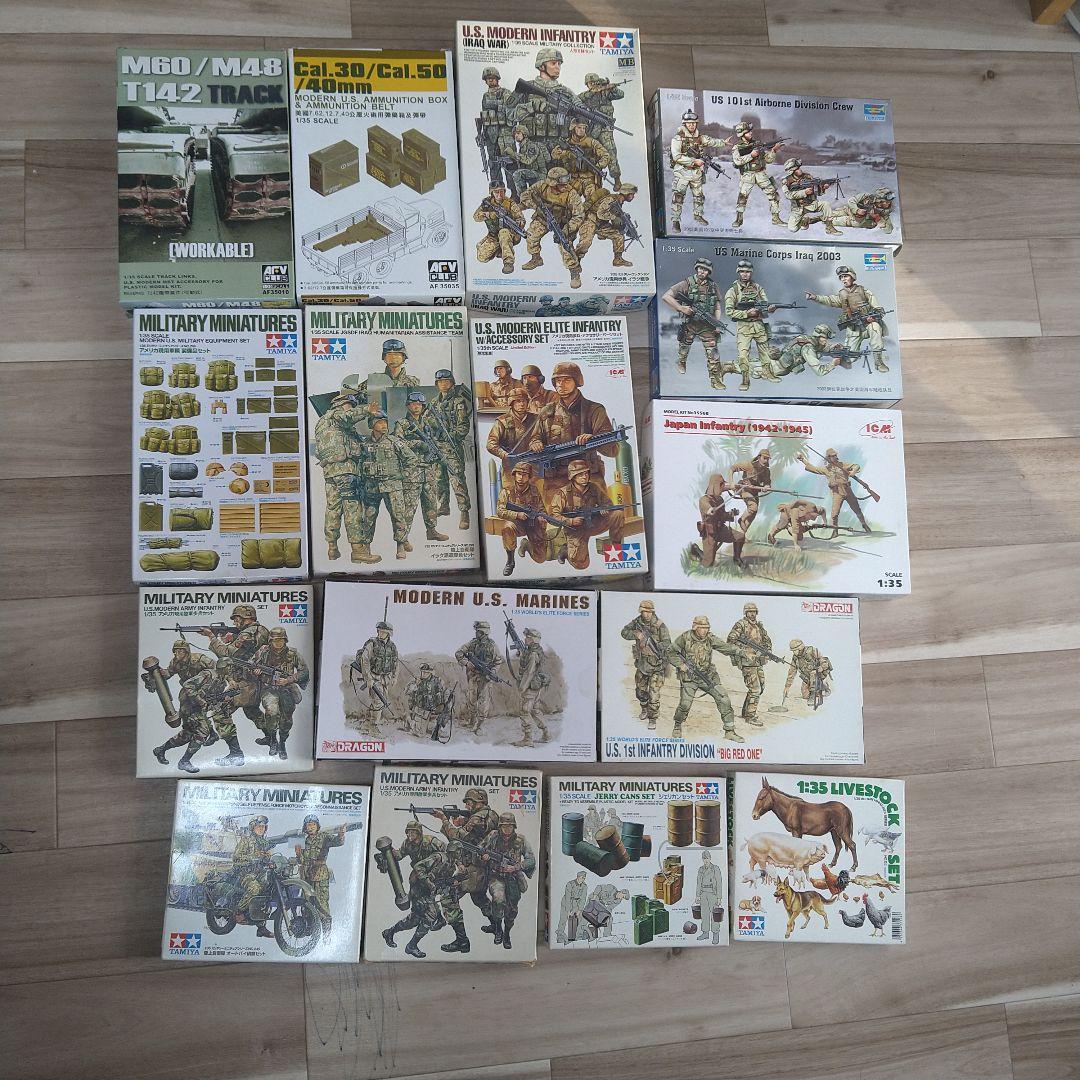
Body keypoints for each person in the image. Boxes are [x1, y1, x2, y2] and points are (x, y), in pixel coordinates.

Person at [355, 411, 418, 561]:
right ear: (372, 425)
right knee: (368, 517)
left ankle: (400, 545)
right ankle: (366, 546)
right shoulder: (365, 443)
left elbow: (412, 459)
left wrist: (403, 475)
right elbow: (359, 463)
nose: (384, 425)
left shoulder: (394, 442)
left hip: (392, 486)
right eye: (379, 422)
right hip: (371, 487)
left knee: (398, 516)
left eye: (385, 422)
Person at [660, 258, 734, 385]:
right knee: (684, 345)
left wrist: (717, 323)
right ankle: (681, 362)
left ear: (709, 272)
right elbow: (666, 296)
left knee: (713, 353)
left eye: (705, 270)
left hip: (707, 325)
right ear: (696, 269)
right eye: (700, 268)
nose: (702, 271)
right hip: (689, 324)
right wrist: (681, 308)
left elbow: (717, 307)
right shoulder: (687, 283)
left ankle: (715, 379)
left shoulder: (713, 286)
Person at [806, 264, 891, 373]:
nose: (843, 279)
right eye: (841, 277)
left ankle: (878, 363)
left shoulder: (863, 291)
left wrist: (875, 316)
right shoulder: (842, 294)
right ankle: (822, 352)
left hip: (868, 325)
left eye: (845, 276)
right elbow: (830, 300)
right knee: (850, 358)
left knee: (875, 328)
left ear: (852, 276)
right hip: (854, 329)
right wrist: (815, 297)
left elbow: (877, 307)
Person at [668, 616, 742, 742]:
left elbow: (725, 647)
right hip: (689, 677)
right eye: (702, 628)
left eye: (707, 628)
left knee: (723, 699)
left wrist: (740, 652)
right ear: (695, 627)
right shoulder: (685, 637)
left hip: (707, 676)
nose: (705, 630)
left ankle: (729, 731)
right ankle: (677, 725)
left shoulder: (710, 638)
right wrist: (680, 665)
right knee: (685, 704)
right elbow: (670, 652)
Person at [547, 458, 627, 571]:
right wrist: (570, 521)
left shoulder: (594, 487)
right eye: (580, 474)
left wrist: (605, 508)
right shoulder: (562, 493)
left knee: (617, 514)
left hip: (593, 524)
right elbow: (551, 516)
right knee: (581, 565)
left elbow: (608, 503)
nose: (585, 477)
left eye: (586, 473)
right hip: (575, 530)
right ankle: (566, 550)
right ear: (572, 476)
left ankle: (616, 549)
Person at [394, 392, 450, 545]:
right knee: (409, 507)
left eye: (419, 404)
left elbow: (434, 441)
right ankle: (403, 539)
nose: (416, 407)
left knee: (431, 503)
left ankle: (432, 531)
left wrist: (438, 453)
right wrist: (418, 444)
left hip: (429, 470)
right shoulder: (402, 424)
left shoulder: (427, 424)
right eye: (413, 404)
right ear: (408, 406)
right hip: (412, 472)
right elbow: (398, 443)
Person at [249, 628, 308, 760]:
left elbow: (304, 672)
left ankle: (282, 743)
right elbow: (250, 665)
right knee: (271, 713)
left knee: (287, 719)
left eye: (281, 640)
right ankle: (273, 740)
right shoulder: (263, 651)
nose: (278, 643)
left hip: (287, 689)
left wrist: (289, 680)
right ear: (270, 640)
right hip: (269, 689)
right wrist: (255, 672)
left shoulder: (293, 653)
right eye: (275, 640)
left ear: (285, 640)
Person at [481, 812, 536, 949]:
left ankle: (507, 934)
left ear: (514, 827)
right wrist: (484, 856)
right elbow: (480, 849)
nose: (507, 829)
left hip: (513, 878)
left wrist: (516, 867)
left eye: (510, 826)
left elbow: (531, 860)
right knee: (498, 900)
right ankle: (498, 929)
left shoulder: (521, 840)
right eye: (504, 826)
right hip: (496, 876)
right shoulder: (493, 836)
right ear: (500, 826)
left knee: (512, 909)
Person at [669, 108, 727, 230]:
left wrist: (723, 143)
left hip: (696, 173)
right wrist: (694, 161)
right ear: (684, 124)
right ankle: (675, 220)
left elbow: (712, 141)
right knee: (678, 197)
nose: (691, 125)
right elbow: (676, 156)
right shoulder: (677, 139)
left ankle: (698, 215)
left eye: (694, 123)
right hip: (682, 172)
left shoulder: (700, 138)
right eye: (689, 123)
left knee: (699, 197)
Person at [796, 448, 872, 536]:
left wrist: (853, 472)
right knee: (834, 514)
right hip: (837, 493)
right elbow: (813, 468)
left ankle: (864, 524)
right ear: (828, 458)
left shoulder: (842, 465)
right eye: (832, 456)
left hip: (848, 491)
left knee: (857, 510)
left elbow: (856, 466)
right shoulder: (826, 469)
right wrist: (803, 460)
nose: (835, 457)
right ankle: (835, 530)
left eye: (835, 455)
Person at [620, 599, 671, 730]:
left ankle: (652, 718)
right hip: (642, 665)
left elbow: (667, 643)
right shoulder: (637, 622)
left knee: (654, 695)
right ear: (641, 612)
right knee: (640, 692)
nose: (647, 614)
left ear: (652, 612)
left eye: (649, 612)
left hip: (657, 666)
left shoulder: (660, 625)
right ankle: (644, 709)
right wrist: (636, 634)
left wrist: (655, 646)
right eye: (644, 612)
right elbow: (624, 632)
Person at [295, 815, 346, 931]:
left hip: (320, 875)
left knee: (321, 905)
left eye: (313, 824)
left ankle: (326, 935)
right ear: (305, 827)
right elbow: (301, 861)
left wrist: (341, 834)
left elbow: (337, 842)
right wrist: (298, 854)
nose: (311, 827)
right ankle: (309, 930)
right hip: (306, 876)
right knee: (306, 904)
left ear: (317, 826)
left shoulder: (324, 837)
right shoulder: (303, 840)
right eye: (308, 825)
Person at [727, 602, 773, 729]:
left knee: (761, 688)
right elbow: (731, 640)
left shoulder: (759, 626)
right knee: (755, 689)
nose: (752, 614)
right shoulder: (741, 624)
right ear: (745, 613)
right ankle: (750, 716)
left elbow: (767, 640)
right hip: (747, 662)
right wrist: (747, 650)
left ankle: (745, 712)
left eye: (754, 612)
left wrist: (767, 651)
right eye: (749, 612)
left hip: (758, 662)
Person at [730, 121, 783, 228]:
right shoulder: (737, 147)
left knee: (773, 195)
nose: (751, 133)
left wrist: (773, 151)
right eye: (748, 132)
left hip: (761, 173)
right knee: (742, 197)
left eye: (750, 131)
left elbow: (768, 160)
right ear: (742, 134)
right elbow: (737, 161)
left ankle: (776, 218)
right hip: (747, 175)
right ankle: (739, 219)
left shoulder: (757, 144)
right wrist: (751, 155)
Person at [455, 622, 504, 736]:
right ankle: (472, 722)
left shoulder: (492, 646)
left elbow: (498, 661)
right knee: (471, 700)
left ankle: (479, 726)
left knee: (483, 703)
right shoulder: (472, 643)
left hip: (485, 678)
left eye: (478, 631)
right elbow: (458, 653)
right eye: (476, 631)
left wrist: (493, 672)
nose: (476, 633)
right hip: (473, 676)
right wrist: (467, 663)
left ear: (483, 632)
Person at [230, 815, 274, 938]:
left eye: (263, 827)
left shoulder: (264, 843)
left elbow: (266, 858)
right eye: (258, 826)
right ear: (252, 827)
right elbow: (236, 858)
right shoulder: (246, 840)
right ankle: (238, 911)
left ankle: (261, 927)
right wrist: (253, 857)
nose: (261, 829)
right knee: (255, 888)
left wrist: (268, 858)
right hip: (245, 874)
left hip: (260, 873)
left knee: (269, 891)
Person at [690, 473, 747, 569]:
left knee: (740, 537)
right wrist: (710, 510)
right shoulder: (703, 500)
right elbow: (707, 507)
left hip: (721, 529)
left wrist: (731, 514)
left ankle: (736, 558)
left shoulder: (720, 499)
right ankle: (696, 549)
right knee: (708, 564)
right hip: (710, 534)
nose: (722, 488)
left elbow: (722, 516)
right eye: (721, 485)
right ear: (714, 486)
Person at [354, 620, 398, 734]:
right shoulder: (372, 644)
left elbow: (395, 662)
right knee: (378, 702)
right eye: (379, 631)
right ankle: (373, 727)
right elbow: (365, 661)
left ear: (389, 633)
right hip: (374, 677)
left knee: (380, 701)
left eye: (383, 632)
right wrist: (368, 678)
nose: (380, 633)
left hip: (386, 678)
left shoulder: (392, 647)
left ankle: (366, 724)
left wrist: (394, 677)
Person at [474, 182, 525, 276]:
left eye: (502, 191)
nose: (499, 194)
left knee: (503, 232)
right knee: (482, 257)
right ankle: (499, 249)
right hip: (494, 236)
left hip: (511, 234)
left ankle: (508, 262)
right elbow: (476, 217)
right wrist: (489, 215)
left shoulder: (510, 203)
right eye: (496, 192)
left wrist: (519, 223)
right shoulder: (487, 203)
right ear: (492, 193)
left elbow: (521, 218)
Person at [514, 627, 551, 747]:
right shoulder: (533, 651)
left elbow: (529, 672)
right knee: (535, 711)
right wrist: (521, 654)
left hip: (530, 686)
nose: (525, 639)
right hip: (536, 686)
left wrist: (522, 687)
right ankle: (546, 734)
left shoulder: (533, 653)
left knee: (525, 711)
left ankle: (528, 739)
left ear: (533, 639)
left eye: (528, 638)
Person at [695, 850, 725, 944]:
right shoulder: (701, 869)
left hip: (713, 894)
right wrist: (697, 895)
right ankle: (705, 933)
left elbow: (719, 883)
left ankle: (715, 934)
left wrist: (719, 897)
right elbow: (698, 883)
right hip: (703, 893)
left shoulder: (715, 868)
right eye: (704, 858)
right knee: (704, 914)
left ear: (710, 858)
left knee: (715, 915)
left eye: (707, 858)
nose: (706, 860)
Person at [556, 871, 588, 944]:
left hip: (576, 904)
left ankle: (577, 935)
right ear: (578, 877)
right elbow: (567, 898)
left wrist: (579, 909)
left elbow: (583, 898)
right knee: (563, 919)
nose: (583, 879)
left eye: (584, 878)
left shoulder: (584, 886)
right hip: (566, 903)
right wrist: (568, 911)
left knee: (580, 918)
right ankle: (560, 935)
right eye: (582, 878)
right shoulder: (570, 884)